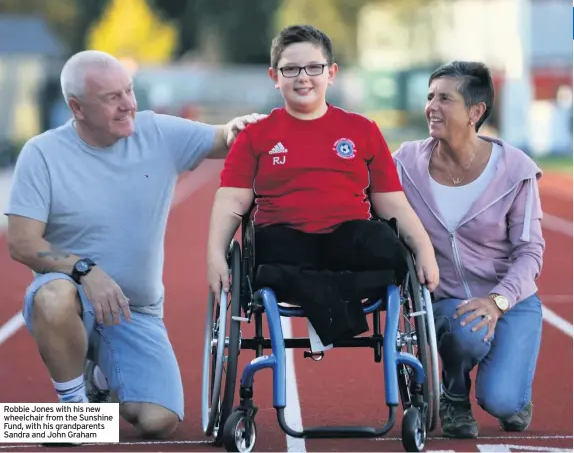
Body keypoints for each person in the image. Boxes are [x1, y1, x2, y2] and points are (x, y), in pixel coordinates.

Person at [4, 50, 265, 440]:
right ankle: (73, 413)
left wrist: (237, 128)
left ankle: (96, 381)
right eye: (112, 98)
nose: (129, 104)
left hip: (134, 311)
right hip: (70, 296)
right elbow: (22, 243)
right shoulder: (42, 154)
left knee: (160, 421)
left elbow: (221, 138)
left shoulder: (156, 132)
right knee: (54, 297)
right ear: (76, 107)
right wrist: (84, 270)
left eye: (128, 90)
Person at [206, 24, 439, 346]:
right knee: (268, 264)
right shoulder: (255, 135)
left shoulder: (362, 130)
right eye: (291, 69)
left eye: (314, 67)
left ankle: (321, 299)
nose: (303, 77)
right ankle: (332, 306)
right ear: (275, 77)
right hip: (285, 242)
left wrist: (424, 248)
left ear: (331, 73)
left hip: (347, 240)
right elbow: (232, 199)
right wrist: (215, 254)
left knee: (384, 246)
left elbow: (392, 204)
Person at [393, 61, 544, 439]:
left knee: (502, 403)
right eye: (430, 97)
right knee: (467, 331)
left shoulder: (515, 169)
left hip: (512, 299)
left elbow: (530, 252)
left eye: (445, 98)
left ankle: (509, 386)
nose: (431, 106)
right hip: (446, 298)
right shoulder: (405, 163)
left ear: (475, 112)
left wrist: (498, 301)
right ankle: (454, 393)